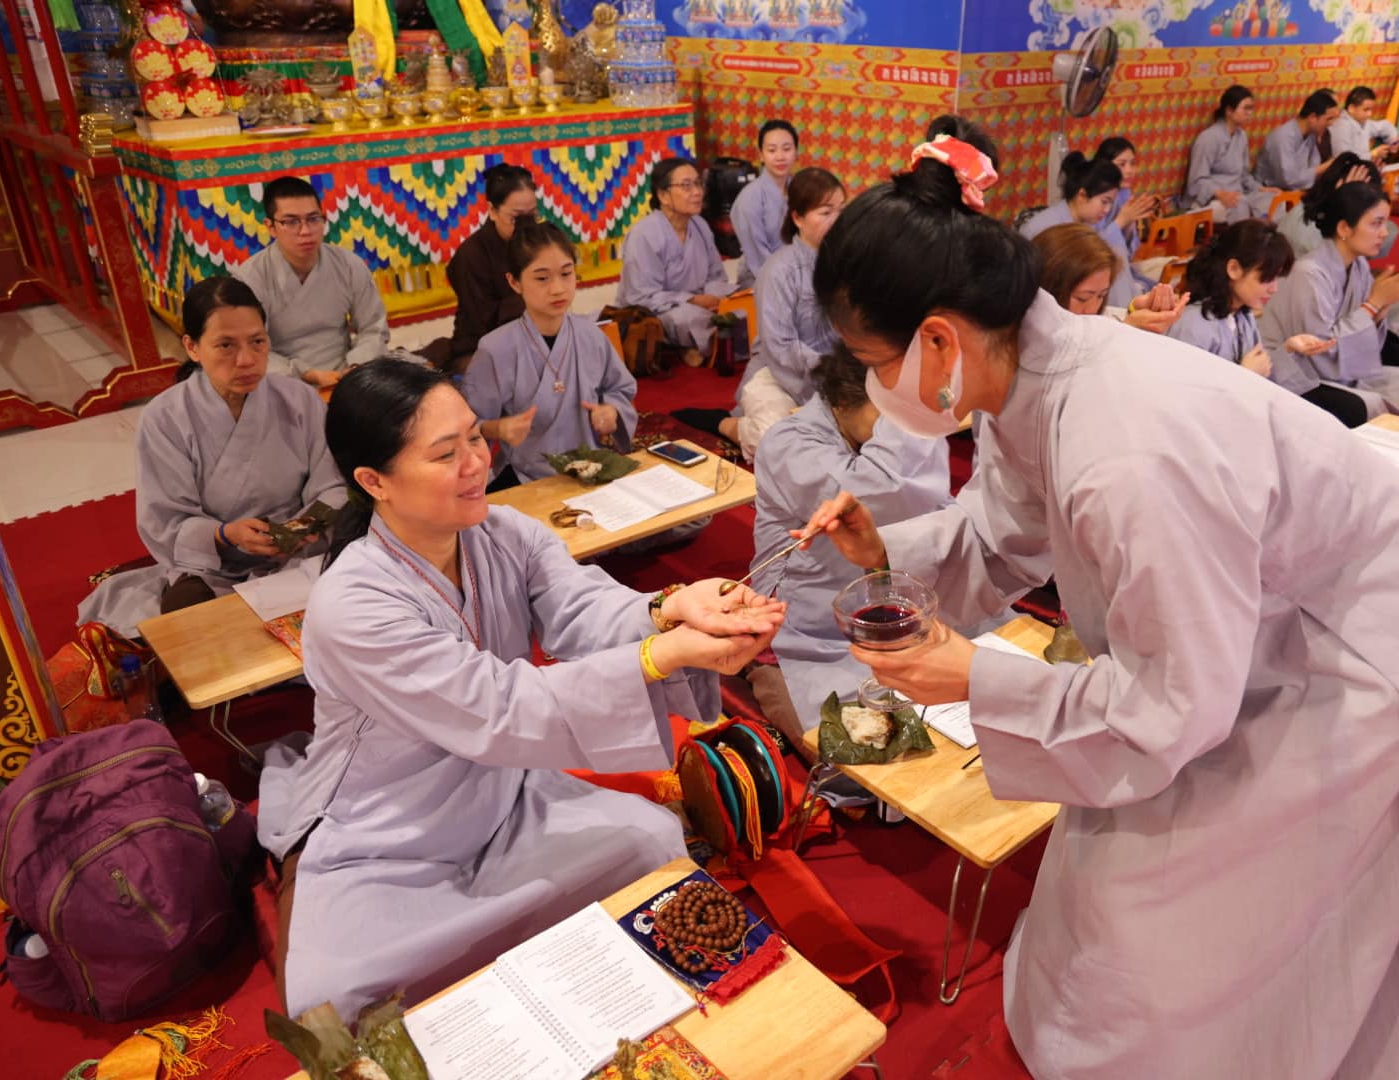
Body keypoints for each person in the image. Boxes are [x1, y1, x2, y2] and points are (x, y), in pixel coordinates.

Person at [796, 134, 1399, 1080]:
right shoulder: (1030, 368)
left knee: (1210, 899)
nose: (874, 388)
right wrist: (888, 553)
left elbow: (1176, 708)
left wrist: (978, 677)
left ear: (939, 340)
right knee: (1122, 859)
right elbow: (1007, 529)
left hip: (1362, 644)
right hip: (1244, 618)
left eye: (871, 361)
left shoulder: (1124, 447)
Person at [257, 359, 785, 1021]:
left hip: (504, 789)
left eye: (474, 437)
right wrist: (662, 655)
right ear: (374, 482)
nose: (477, 462)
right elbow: (497, 707)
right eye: (445, 454)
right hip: (388, 825)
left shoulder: (505, 533)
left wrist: (670, 609)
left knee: (650, 841)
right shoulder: (352, 605)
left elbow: (584, 609)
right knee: (336, 999)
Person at [78, 276, 347, 635]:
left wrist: (306, 525)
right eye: (225, 345)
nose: (246, 360)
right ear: (192, 347)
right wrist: (224, 534)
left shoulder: (299, 399)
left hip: (298, 556)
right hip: (212, 564)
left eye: (257, 342)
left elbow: (333, 484)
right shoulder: (165, 418)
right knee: (187, 620)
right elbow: (165, 521)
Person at [744, 345, 949, 743]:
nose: (903, 428)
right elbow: (885, 491)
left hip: (895, 603)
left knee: (989, 683)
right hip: (809, 625)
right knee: (860, 746)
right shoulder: (788, 442)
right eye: (890, 415)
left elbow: (935, 502)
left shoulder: (890, 435)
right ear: (842, 402)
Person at [461, 221, 637, 487]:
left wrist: (611, 411)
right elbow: (466, 425)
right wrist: (498, 428)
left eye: (566, 273)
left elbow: (620, 389)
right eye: (542, 278)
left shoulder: (591, 335)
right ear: (514, 282)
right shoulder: (495, 348)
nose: (558, 288)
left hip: (590, 467)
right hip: (525, 475)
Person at [1260, 182, 1399, 423]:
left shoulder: (1358, 266)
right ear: (1344, 228)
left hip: (1342, 371)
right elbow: (1319, 351)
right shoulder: (1308, 273)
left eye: (1385, 223)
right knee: (1370, 404)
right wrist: (1372, 304)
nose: (1384, 233)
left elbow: (1363, 345)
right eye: (1376, 223)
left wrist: (1381, 309)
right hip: (1296, 376)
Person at [718, 167, 845, 459]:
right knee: (775, 441)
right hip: (777, 374)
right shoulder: (779, 270)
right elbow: (780, 346)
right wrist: (830, 365)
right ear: (797, 218)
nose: (837, 220)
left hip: (835, 374)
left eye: (841, 210)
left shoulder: (846, 264)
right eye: (826, 212)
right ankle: (728, 425)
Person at [1167, 220, 1351, 407]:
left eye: (1276, 278)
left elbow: (1262, 382)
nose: (1274, 288)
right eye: (1266, 278)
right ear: (1234, 269)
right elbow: (1183, 402)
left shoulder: (1243, 316)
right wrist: (1243, 376)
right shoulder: (1192, 325)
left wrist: (1289, 349)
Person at [232, 176, 389, 389]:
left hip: (346, 374)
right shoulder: (250, 278)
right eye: (291, 222)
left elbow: (374, 327)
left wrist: (356, 367)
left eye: (313, 219)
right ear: (270, 227)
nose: (305, 231)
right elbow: (250, 348)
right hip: (281, 379)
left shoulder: (348, 265)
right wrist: (308, 374)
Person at [616, 157, 735, 367]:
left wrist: (720, 299)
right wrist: (693, 300)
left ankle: (696, 345)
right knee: (687, 319)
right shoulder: (644, 235)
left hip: (701, 303)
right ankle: (690, 346)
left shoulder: (700, 226)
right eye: (686, 186)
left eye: (698, 184)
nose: (697, 192)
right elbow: (642, 297)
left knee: (745, 304)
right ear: (663, 195)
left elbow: (716, 276)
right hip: (658, 311)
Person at [446, 164, 537, 371]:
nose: (526, 226)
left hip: (535, 341)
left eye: (532, 215)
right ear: (492, 211)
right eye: (516, 218)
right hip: (480, 350)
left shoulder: (538, 245)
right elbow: (485, 324)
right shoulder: (471, 255)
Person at [1019, 152, 1138, 309]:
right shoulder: (1044, 227)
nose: (1107, 209)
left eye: (1111, 203)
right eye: (1104, 202)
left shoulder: (1092, 222)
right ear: (1082, 195)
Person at [1030, 223, 1187, 335]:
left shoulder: (1089, 318)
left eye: (1101, 295)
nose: (1091, 310)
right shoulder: (1031, 336)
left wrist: (1134, 309)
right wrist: (1126, 330)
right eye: (1082, 298)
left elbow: (1106, 319)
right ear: (1047, 287)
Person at [1186, 85, 1276, 223]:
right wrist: (1220, 193)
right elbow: (1197, 180)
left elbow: (1244, 176)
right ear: (1229, 110)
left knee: (1272, 199)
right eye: (1246, 108)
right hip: (1211, 199)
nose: (1250, 113)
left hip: (1237, 193)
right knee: (1239, 204)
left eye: (1251, 108)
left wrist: (1262, 189)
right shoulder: (1208, 138)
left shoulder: (1241, 136)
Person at [729, 119, 799, 289]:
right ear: (761, 155)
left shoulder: (800, 188)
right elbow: (757, 256)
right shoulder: (749, 198)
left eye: (787, 149)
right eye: (772, 150)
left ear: (796, 152)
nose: (780, 156)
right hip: (760, 277)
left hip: (796, 271)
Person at [1095, 137, 1159, 289]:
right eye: (1122, 164)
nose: (1129, 171)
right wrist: (1121, 221)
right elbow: (1095, 250)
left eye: (1132, 164)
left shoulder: (1124, 193)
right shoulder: (1096, 197)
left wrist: (1129, 225)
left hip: (1124, 266)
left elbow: (1129, 254)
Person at [1255, 90, 1339, 192]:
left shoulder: (1311, 134)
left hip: (1297, 189)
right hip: (1270, 191)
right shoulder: (1283, 137)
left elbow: (1314, 164)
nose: (1331, 124)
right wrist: (1325, 166)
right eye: (1329, 119)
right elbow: (1288, 180)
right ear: (1312, 117)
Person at [1330, 86, 1399, 164]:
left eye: (1371, 109)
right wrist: (1373, 154)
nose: (1369, 114)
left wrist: (1394, 139)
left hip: (1363, 166)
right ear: (1351, 108)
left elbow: (1385, 125)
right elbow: (1344, 159)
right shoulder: (1341, 126)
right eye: (1366, 109)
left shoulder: (1362, 122)